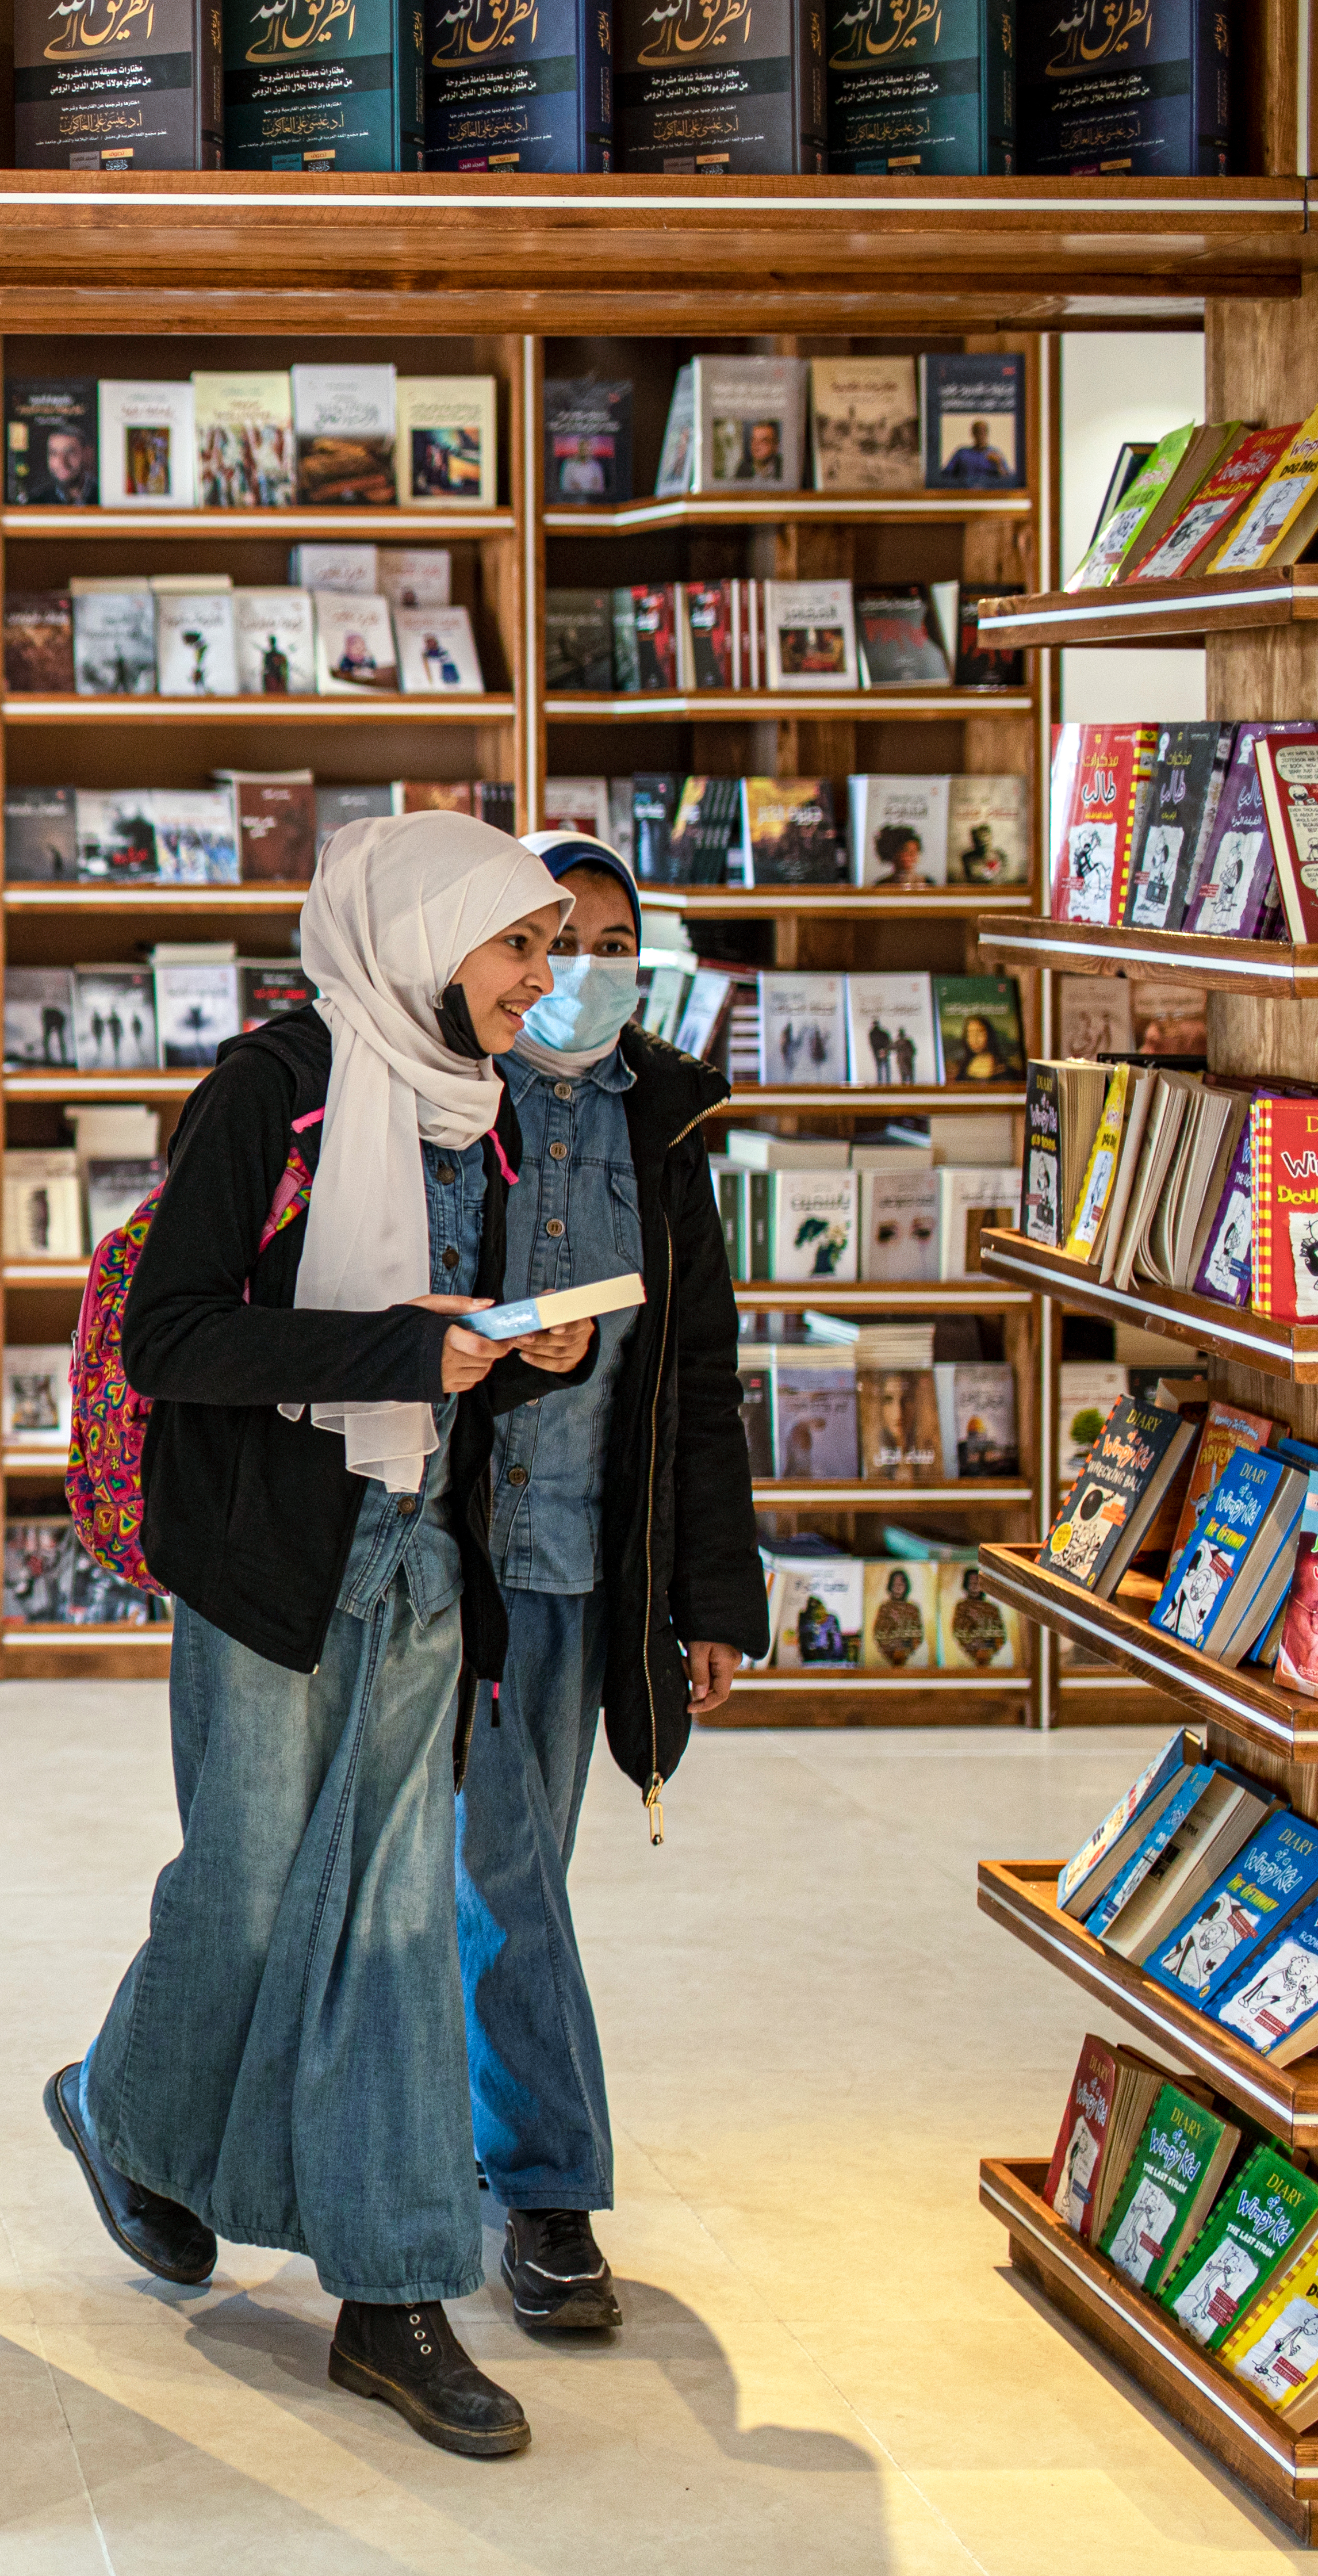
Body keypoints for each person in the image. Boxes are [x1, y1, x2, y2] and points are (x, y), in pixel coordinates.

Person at [43, 811, 599, 2461]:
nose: (543, 981)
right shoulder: (272, 1088)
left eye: (551, 950)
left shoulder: (486, 1112)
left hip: (420, 1560)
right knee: (249, 1892)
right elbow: (173, 1337)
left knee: (396, 1923)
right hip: (274, 1562)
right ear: (429, 936)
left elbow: (438, 1343)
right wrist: (399, 1356)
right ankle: (120, 2103)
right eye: (521, 946)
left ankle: (392, 2290)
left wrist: (518, 1356)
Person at [457, 832, 764, 2335]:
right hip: (459, 1561)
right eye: (548, 938)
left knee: (511, 1879)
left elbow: (698, 1383)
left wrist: (715, 1600)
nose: (576, 967)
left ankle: (475, 2151)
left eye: (610, 939)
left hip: (593, 1564)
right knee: (499, 1878)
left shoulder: (668, 1129)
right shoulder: (457, 1092)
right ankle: (548, 2192)